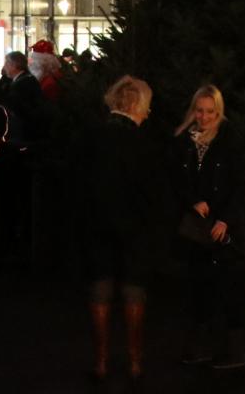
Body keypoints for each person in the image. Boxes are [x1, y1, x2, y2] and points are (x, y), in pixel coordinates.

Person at [84, 75, 172, 383]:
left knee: (100, 290)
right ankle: (135, 360)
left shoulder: (91, 137)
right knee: (134, 291)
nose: (147, 113)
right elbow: (155, 193)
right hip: (135, 229)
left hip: (97, 226)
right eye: (146, 107)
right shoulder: (144, 143)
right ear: (136, 105)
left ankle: (101, 360)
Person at [172, 83, 245, 370]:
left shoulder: (229, 140)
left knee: (229, 286)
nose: (204, 118)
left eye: (210, 112)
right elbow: (179, 181)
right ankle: (206, 345)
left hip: (221, 224)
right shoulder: (185, 141)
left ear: (219, 113)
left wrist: (225, 218)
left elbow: (240, 184)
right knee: (200, 286)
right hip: (199, 225)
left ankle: (233, 349)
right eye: (200, 111)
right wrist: (192, 201)